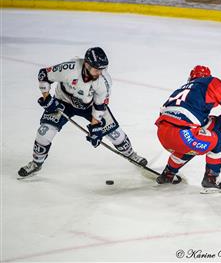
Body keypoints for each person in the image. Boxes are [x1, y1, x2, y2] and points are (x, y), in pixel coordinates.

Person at [18, 47, 148, 178]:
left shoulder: (104, 81)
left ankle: (131, 155)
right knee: (44, 132)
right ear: (86, 64)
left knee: (116, 134)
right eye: (97, 69)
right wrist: (47, 99)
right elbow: (44, 74)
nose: (99, 73)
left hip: (89, 107)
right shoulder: (69, 69)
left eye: (102, 69)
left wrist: (95, 127)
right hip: (63, 102)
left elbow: (99, 105)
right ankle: (36, 163)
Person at [155, 65, 221, 193]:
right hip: (184, 134)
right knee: (220, 141)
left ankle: (168, 174)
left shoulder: (182, 91)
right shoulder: (209, 82)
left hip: (163, 135)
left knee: (190, 145)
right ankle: (211, 179)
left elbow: (199, 124)